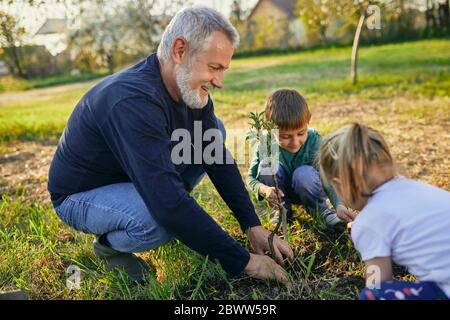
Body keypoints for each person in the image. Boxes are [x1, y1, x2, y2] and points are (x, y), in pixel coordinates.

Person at [48, 6, 293, 284]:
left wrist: (251, 224)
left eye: (223, 69)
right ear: (179, 51)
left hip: (133, 176)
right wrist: (245, 263)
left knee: (212, 134)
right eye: (214, 67)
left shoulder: (189, 91)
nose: (220, 82)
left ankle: (179, 212)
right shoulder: (132, 102)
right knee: (159, 219)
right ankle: (109, 249)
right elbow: (167, 206)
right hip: (81, 195)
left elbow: (216, 158)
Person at [319, 123, 450, 300]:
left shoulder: (368, 223)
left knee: (372, 295)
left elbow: (377, 282)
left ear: (339, 184)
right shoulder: (416, 189)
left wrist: (365, 233)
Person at [247, 89, 353, 226]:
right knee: (267, 165)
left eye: (301, 133)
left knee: (303, 174)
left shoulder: (314, 140)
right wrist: (264, 189)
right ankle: (281, 211)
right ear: (268, 129)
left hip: (308, 187)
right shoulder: (265, 143)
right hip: (279, 193)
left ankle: (320, 211)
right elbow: (250, 178)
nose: (295, 142)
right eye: (285, 137)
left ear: (308, 121)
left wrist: (339, 205)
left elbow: (328, 176)